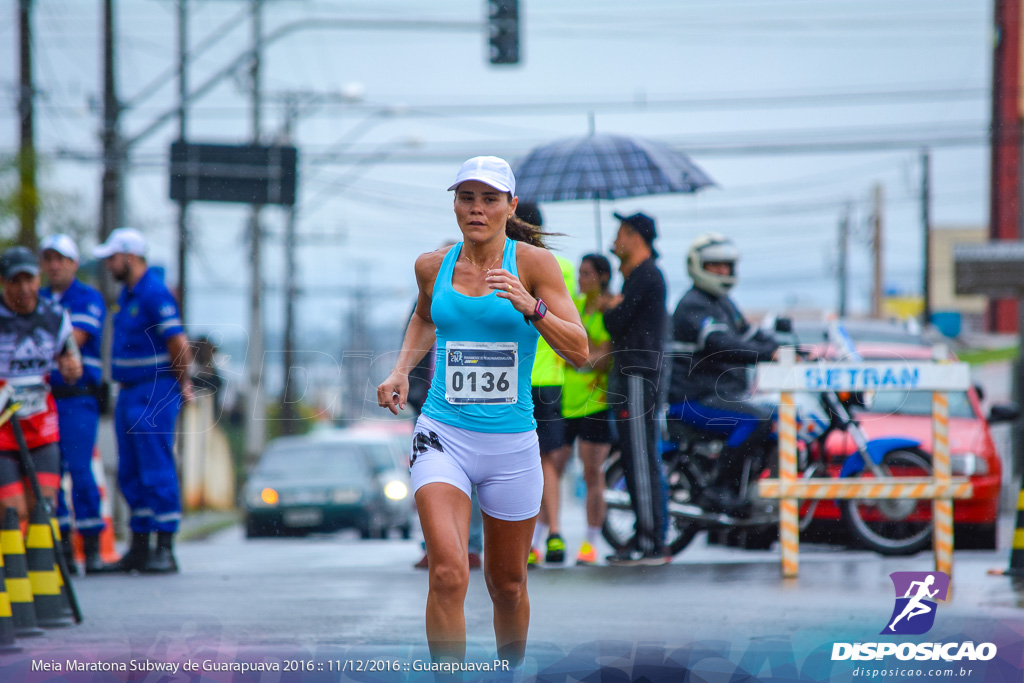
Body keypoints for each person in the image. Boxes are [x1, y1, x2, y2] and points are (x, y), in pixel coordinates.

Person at [376, 156, 587, 667]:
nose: (476, 209)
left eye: (490, 199)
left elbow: (579, 350)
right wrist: (402, 370)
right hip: (443, 433)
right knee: (448, 572)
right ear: (454, 204)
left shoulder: (535, 266)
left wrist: (532, 308)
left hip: (511, 442)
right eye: (466, 197)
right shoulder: (433, 266)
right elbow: (425, 318)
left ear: (510, 206)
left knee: (507, 585)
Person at [93, 228, 194, 574]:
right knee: (131, 472)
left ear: (130, 257)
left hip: (154, 390)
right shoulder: (129, 295)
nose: (108, 264)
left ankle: (164, 548)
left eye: (113, 258)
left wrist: (183, 383)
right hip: (130, 390)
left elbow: (177, 342)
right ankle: (139, 547)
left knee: (156, 468)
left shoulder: (153, 293)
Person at [666, 233, 778, 517]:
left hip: (720, 396)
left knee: (778, 414)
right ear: (697, 265)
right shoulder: (694, 304)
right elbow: (722, 343)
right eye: (715, 265)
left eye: (727, 266)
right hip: (694, 398)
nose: (723, 271)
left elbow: (750, 334)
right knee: (756, 420)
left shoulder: (723, 303)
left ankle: (749, 486)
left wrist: (788, 348)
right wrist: (767, 354)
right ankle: (720, 488)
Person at [38, 234, 110, 575]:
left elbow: (73, 340)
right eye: (48, 259)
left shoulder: (87, 297)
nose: (54, 265)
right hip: (41, 400)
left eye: (60, 259)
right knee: (50, 476)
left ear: (73, 264)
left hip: (76, 399)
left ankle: (92, 548)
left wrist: (34, 337)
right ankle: (62, 548)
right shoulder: (36, 297)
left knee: (80, 472)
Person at [600, 211, 669, 566]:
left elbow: (617, 321)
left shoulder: (647, 276)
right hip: (632, 373)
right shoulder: (637, 277)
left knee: (640, 457)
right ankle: (649, 536)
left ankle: (650, 541)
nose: (615, 240)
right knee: (634, 455)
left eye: (621, 233)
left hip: (639, 374)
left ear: (636, 237)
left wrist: (611, 306)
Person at [0, 246, 82, 525]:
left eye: (30, 280)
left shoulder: (56, 317)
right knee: (12, 511)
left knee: (43, 509)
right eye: (15, 281)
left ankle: (42, 567)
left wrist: (72, 369)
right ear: (3, 282)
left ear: (39, 279)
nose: (24, 288)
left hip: (41, 427)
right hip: (3, 429)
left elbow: (72, 364)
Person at [515, 202, 577, 567]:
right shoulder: (562, 267)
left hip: (517, 376)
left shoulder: (507, 265)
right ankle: (553, 532)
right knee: (547, 461)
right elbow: (574, 321)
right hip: (552, 376)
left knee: (526, 460)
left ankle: (534, 540)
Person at [406, 294, 484, 572]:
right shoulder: (426, 302)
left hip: (472, 408)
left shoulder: (479, 305)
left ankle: (472, 546)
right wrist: (412, 392)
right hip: (429, 407)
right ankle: (432, 546)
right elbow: (411, 348)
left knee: (472, 480)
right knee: (426, 477)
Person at [560, 254, 614, 565]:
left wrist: (583, 355)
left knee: (592, 472)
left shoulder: (609, 309)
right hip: (567, 400)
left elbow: (604, 355)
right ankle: (542, 536)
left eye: (587, 274)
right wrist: (584, 355)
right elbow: (567, 346)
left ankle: (590, 542)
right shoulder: (576, 307)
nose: (581, 280)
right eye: (579, 273)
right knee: (551, 466)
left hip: (596, 401)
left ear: (603, 276)